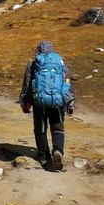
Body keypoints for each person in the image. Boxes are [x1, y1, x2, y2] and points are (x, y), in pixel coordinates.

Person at [19, 40, 74, 170]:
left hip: (40, 103)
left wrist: (25, 103)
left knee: (40, 130)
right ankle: (58, 151)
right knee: (57, 128)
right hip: (58, 102)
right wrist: (70, 103)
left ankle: (44, 157)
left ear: (38, 50)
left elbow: (27, 86)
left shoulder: (33, 64)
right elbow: (67, 83)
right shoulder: (61, 64)